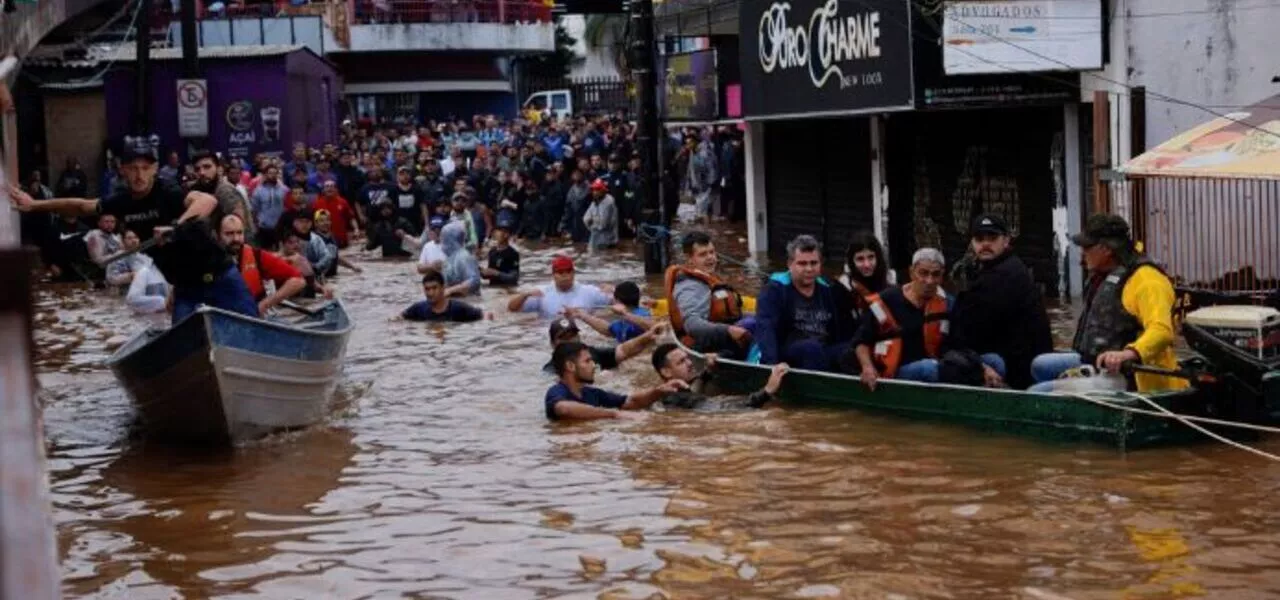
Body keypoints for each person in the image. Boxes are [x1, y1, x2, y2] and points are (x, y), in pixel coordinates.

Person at [7, 134, 256, 323]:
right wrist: (35, 204)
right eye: (133, 168)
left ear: (155, 169)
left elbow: (207, 201)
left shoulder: (168, 191)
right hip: (186, 288)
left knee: (255, 328)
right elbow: (81, 206)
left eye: (145, 168)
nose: (139, 175)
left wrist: (175, 228)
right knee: (185, 347)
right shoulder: (121, 200)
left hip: (221, 276)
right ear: (122, 169)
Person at [1029, 214, 1187, 393]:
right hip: (1096, 363)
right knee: (1040, 365)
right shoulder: (1103, 274)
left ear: (1106, 249)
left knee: (1037, 393)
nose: (1082, 253)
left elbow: (1162, 331)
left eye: (1087, 247)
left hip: (1130, 375)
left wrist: (1128, 354)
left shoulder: (1147, 281)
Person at [849, 248, 1005, 388]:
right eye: (923, 273)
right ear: (912, 273)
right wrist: (867, 367)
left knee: (994, 361)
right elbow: (861, 341)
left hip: (942, 364)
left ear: (942, 276)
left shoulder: (948, 305)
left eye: (935, 275)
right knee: (928, 368)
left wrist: (983, 367)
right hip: (898, 371)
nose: (929, 281)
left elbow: (959, 346)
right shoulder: (886, 301)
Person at [949, 215, 1053, 389]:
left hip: (1018, 373)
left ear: (1006, 241)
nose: (985, 244)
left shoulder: (1004, 275)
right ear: (972, 243)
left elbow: (968, 331)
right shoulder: (1001, 268)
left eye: (992, 238)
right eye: (979, 239)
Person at [755, 235, 856, 371]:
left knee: (851, 350)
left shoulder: (831, 290)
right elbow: (765, 328)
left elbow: (846, 328)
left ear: (820, 264)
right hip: (789, 353)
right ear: (790, 264)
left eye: (814, 263)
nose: (809, 269)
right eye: (802, 264)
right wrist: (771, 366)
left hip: (823, 350)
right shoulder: (774, 291)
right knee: (811, 348)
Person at [543, 341, 683, 421]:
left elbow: (630, 402)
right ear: (570, 366)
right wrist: (613, 414)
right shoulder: (556, 392)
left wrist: (658, 391)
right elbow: (564, 409)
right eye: (587, 361)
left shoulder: (593, 394)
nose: (594, 365)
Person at [665, 230, 751, 357]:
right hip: (707, 345)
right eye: (703, 254)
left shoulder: (709, 278)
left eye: (712, 252)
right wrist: (728, 330)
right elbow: (691, 324)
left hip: (724, 334)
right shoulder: (688, 287)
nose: (710, 257)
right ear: (689, 259)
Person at [651, 343, 789, 411]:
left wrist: (707, 372)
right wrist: (767, 391)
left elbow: (694, 391)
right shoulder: (679, 398)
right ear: (666, 372)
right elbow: (725, 408)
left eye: (687, 358)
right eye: (681, 362)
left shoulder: (673, 393)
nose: (690, 363)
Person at [219, 214, 306, 317]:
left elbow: (298, 281)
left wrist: (265, 304)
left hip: (251, 318)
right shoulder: (207, 259)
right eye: (229, 234)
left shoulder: (257, 256)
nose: (236, 238)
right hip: (221, 316)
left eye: (239, 233)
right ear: (218, 235)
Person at [541, 315, 663, 375]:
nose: (570, 341)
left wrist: (647, 336)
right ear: (553, 344)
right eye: (563, 338)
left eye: (573, 335)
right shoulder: (551, 371)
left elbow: (624, 350)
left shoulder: (593, 353)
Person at [507, 254, 612, 318]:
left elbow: (619, 301)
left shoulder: (589, 291)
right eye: (561, 272)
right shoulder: (542, 293)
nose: (565, 276)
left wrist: (613, 290)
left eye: (568, 271)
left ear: (573, 273)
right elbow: (512, 309)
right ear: (553, 275)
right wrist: (524, 295)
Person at [570, 281, 654, 343]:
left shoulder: (641, 316)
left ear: (617, 300)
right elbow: (608, 330)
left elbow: (652, 327)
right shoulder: (627, 320)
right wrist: (582, 315)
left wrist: (624, 313)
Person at [838, 231, 895, 318]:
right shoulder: (846, 286)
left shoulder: (890, 281)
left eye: (871, 257)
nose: (867, 265)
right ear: (852, 261)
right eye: (860, 259)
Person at [401, 270, 487, 322]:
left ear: (443, 288)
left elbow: (485, 315)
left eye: (434, 288)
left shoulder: (458, 309)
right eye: (427, 289)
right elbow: (400, 318)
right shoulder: (419, 308)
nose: (431, 293)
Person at [440, 220, 482, 297]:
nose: (441, 241)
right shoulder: (449, 258)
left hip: (468, 300)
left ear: (451, 239)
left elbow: (474, 281)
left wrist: (451, 290)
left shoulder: (464, 257)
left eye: (444, 238)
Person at [481, 212, 520, 286]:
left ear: (508, 234)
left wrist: (496, 273)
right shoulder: (492, 252)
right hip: (493, 289)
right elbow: (489, 274)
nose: (501, 234)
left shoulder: (513, 253)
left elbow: (514, 278)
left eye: (505, 231)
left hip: (506, 289)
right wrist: (482, 272)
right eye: (499, 230)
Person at [582, 178, 618, 250]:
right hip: (595, 239)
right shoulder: (594, 202)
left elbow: (602, 224)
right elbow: (585, 219)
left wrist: (592, 222)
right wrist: (593, 222)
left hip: (608, 241)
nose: (595, 192)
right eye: (594, 189)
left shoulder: (609, 202)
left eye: (598, 189)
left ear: (603, 190)